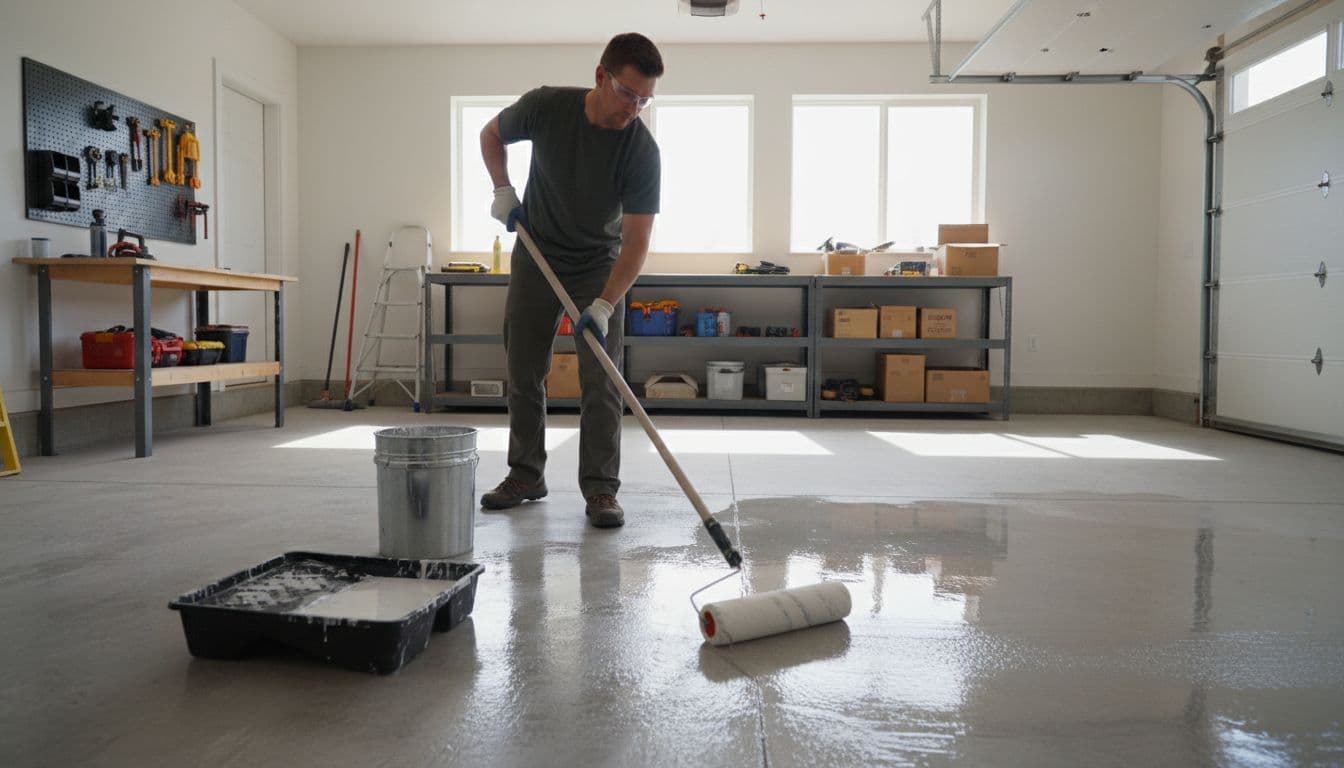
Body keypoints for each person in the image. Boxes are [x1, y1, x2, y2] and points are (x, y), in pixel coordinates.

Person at [478, 32, 663, 529]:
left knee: (601, 377)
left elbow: (636, 243)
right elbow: (489, 134)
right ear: (601, 76)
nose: (635, 108)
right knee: (523, 368)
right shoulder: (546, 108)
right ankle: (526, 475)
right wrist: (502, 189)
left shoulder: (641, 150)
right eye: (628, 93)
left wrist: (605, 304)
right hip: (537, 253)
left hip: (599, 264)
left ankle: (601, 489)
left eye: (646, 99)